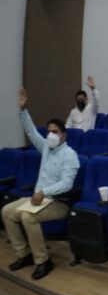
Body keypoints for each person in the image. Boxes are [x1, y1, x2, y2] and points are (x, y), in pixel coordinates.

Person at [2, 89, 80, 280]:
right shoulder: (46, 146)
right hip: (37, 199)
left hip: (57, 202)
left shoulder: (70, 155)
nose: (50, 135)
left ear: (63, 136)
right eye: (49, 131)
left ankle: (43, 261)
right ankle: (24, 254)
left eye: (55, 132)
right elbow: (31, 131)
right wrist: (23, 110)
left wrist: (44, 192)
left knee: (28, 217)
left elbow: (67, 184)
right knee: (7, 212)